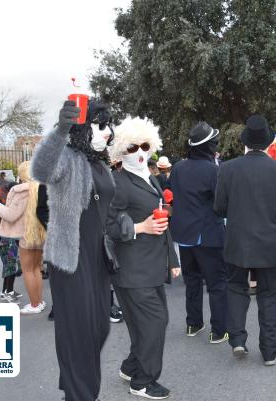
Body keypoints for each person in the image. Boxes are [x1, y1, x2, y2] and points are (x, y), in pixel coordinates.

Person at [31, 99, 115, 401]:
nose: (107, 132)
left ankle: (74, 385)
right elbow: (40, 169)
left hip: (99, 258)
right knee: (78, 332)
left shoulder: (99, 162)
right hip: (71, 257)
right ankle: (82, 395)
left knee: (99, 329)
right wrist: (61, 129)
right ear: (83, 127)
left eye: (108, 126)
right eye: (100, 125)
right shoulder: (66, 156)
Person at [107, 118, 181, 400]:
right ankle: (142, 381)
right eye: (132, 147)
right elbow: (107, 226)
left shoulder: (149, 177)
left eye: (145, 146)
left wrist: (172, 260)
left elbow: (161, 222)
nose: (140, 152)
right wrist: (139, 227)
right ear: (121, 152)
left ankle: (131, 366)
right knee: (154, 323)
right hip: (131, 269)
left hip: (150, 266)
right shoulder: (117, 183)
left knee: (146, 323)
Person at [214, 114, 276, 366]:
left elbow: (219, 207)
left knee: (236, 289)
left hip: (238, 241)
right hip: (270, 244)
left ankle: (237, 339)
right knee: (269, 295)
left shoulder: (227, 169)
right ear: (268, 142)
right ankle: (269, 350)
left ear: (245, 142)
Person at [169, 121, 228, 343]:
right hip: (208, 235)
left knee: (192, 281)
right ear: (208, 146)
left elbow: (176, 196)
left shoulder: (178, 168)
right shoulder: (214, 170)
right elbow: (221, 203)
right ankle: (219, 331)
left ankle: (193, 323)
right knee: (217, 284)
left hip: (184, 236)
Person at [0, 161, 46, 314]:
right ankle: (39, 302)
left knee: (28, 271)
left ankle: (34, 304)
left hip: (26, 235)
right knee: (36, 269)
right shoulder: (42, 187)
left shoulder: (20, 191)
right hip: (39, 233)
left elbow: (11, 215)